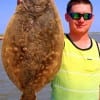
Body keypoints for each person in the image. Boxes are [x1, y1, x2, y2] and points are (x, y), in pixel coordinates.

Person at [18, 0, 100, 100]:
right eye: (75, 15)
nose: (81, 20)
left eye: (87, 16)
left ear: (92, 18)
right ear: (67, 17)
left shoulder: (98, 49)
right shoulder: (57, 44)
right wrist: (24, 11)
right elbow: (30, 43)